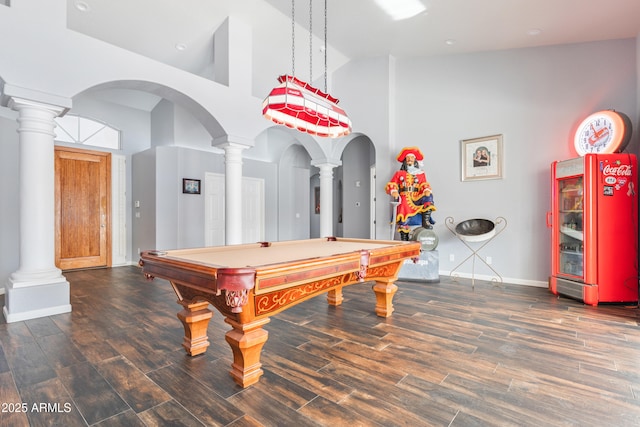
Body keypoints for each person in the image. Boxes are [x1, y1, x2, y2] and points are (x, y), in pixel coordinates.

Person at [385, 147, 436, 240]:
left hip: (416, 197)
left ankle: (426, 221)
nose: (410, 160)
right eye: (408, 158)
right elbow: (392, 184)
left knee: (429, 197)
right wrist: (394, 191)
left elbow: (424, 184)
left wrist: (426, 190)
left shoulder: (421, 173)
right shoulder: (399, 173)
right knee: (403, 210)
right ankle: (404, 239)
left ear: (415, 160)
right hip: (404, 196)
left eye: (412, 158)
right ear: (405, 160)